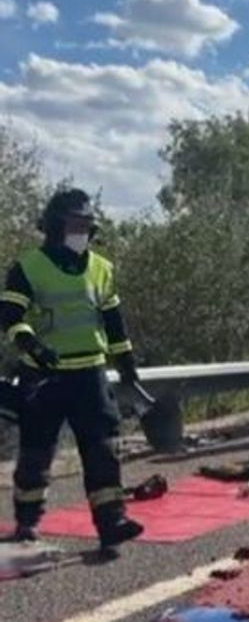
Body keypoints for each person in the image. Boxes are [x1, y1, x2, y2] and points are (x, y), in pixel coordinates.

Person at [0, 188, 143, 551]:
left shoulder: (101, 268)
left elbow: (114, 323)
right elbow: (10, 318)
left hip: (90, 375)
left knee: (103, 448)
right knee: (37, 450)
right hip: (44, 375)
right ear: (54, 226)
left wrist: (126, 364)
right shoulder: (27, 267)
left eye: (87, 225)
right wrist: (31, 343)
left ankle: (112, 521)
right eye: (75, 224)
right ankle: (27, 524)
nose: (82, 231)